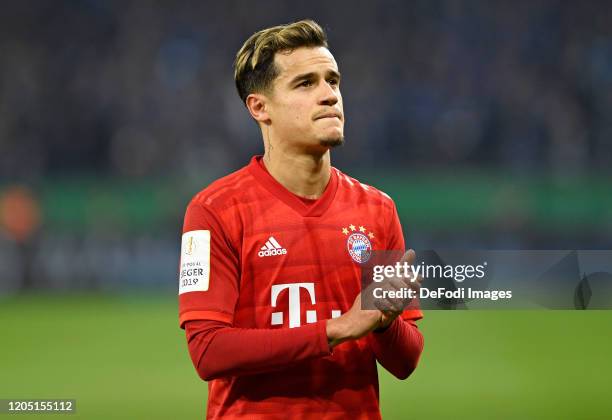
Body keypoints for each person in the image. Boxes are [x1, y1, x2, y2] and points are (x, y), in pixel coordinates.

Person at [178, 19, 424, 419]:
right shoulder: (213, 210)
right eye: (306, 84)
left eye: (333, 81)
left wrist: (384, 323)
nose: (329, 95)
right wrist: (336, 329)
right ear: (259, 107)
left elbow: (406, 362)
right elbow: (208, 352)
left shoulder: (378, 209)